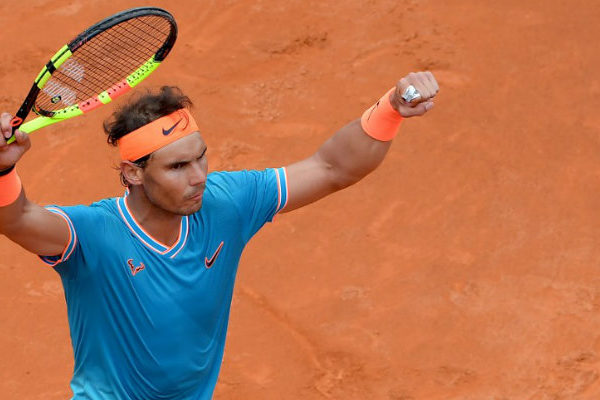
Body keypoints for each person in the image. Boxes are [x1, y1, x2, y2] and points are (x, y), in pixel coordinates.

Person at [0, 71, 439, 399]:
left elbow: (331, 168)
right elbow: (18, 218)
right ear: (132, 172)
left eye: (200, 159)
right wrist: (3, 169)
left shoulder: (226, 202)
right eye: (176, 167)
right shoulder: (93, 235)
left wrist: (389, 110)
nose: (198, 178)